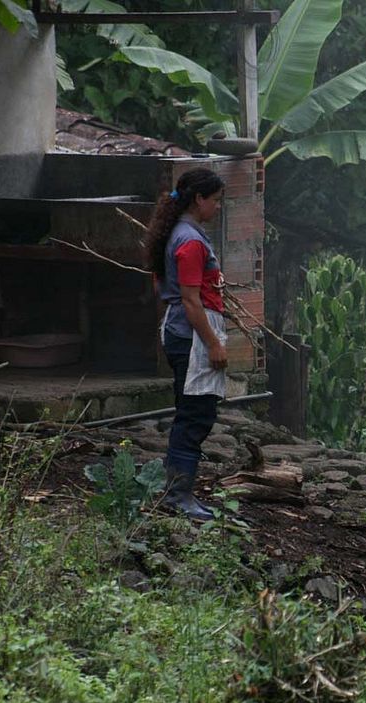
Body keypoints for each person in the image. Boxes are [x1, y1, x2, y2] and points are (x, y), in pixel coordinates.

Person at [145, 168, 227, 521]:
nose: (218, 208)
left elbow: (161, 287)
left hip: (178, 328)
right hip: (192, 335)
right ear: (199, 199)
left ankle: (176, 490)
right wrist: (213, 344)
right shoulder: (190, 241)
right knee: (195, 415)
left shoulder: (175, 233)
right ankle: (178, 495)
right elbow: (192, 301)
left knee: (189, 411)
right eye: (216, 201)